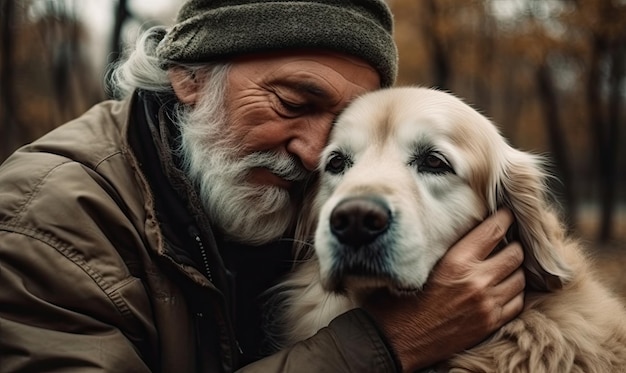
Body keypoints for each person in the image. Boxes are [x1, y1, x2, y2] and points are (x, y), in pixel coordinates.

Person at [0, 0, 525, 372]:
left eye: (342, 136)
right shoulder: (47, 222)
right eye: (293, 104)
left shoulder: (285, 192)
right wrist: (385, 344)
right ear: (190, 78)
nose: (317, 155)